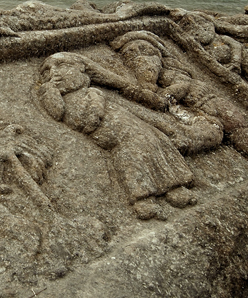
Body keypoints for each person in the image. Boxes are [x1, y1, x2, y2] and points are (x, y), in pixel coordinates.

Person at [37, 52, 214, 220]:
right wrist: (49, 91)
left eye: (61, 65)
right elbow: (62, 113)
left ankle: (175, 187)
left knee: (156, 145)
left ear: (82, 71)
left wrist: (167, 128)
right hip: (119, 138)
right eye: (47, 71)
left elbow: (132, 110)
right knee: (131, 157)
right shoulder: (62, 96)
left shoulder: (94, 92)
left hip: (136, 127)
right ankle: (143, 199)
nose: (54, 73)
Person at [111, 31, 248, 170]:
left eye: (145, 51)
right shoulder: (147, 77)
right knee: (213, 132)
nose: (140, 57)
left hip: (211, 102)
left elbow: (183, 85)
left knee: (238, 128)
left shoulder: (170, 73)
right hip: (200, 112)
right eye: (131, 53)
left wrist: (166, 94)